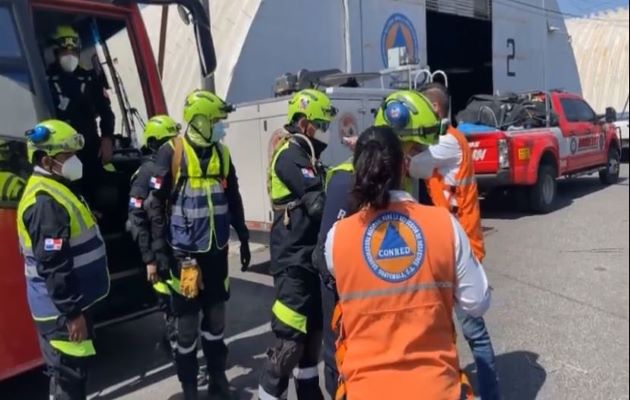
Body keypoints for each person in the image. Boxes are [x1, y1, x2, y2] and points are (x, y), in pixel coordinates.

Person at [324, 125, 491, 400]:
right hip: (436, 389)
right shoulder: (444, 225)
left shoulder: (337, 238)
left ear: (358, 170)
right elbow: (478, 301)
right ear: (404, 169)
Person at [314, 90, 447, 397]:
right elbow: (324, 260)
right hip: (353, 328)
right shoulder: (345, 182)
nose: (423, 155)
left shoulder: (411, 182)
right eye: (415, 147)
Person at [148, 90, 250, 400]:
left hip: (216, 254)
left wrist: (243, 236)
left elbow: (233, 196)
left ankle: (218, 379)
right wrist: (160, 253)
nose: (222, 127)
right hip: (186, 258)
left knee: (216, 321)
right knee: (187, 327)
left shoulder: (222, 153)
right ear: (201, 120)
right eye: (218, 121)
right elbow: (155, 205)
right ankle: (189, 387)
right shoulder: (172, 153)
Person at [408, 83, 500, 400]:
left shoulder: (448, 143)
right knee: (445, 329)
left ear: (434, 109)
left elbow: (413, 166)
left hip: (460, 248)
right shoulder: (443, 141)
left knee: (473, 331)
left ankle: (490, 394)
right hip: (448, 244)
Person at [17, 120, 110, 400]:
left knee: (73, 377)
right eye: (67, 155)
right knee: (68, 380)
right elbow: (53, 264)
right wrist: (72, 313)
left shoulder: (56, 186)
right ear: (47, 159)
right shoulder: (45, 202)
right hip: (59, 312)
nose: (74, 161)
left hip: (65, 305)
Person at [258, 89, 336, 400]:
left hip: (311, 261)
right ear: (304, 123)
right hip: (292, 262)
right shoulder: (290, 155)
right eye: (321, 124)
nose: (324, 132)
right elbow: (317, 203)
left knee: (312, 340)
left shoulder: (309, 156)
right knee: (288, 345)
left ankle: (308, 393)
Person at [127, 115, 180, 356]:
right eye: (167, 141)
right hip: (159, 254)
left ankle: (177, 347)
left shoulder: (174, 168)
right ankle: (179, 353)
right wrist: (149, 259)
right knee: (172, 308)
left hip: (176, 246)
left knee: (183, 306)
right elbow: (136, 217)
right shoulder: (145, 173)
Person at [47, 25, 115, 207]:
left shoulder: (89, 79)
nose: (69, 54)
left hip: (90, 149)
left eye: (73, 50)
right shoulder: (45, 80)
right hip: (59, 154)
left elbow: (106, 112)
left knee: (103, 197)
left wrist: (108, 138)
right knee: (70, 200)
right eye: (64, 50)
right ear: (55, 52)